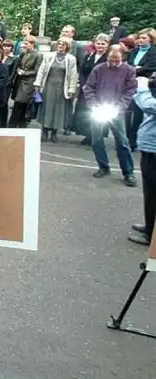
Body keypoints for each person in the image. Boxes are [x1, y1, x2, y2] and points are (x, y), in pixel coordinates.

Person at [84, 47, 137, 186]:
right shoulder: (99, 69)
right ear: (107, 56)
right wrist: (93, 105)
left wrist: (119, 107)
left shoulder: (129, 70)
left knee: (122, 142)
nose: (113, 63)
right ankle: (103, 166)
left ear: (122, 57)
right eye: (111, 60)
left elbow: (130, 91)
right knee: (96, 140)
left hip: (116, 111)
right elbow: (89, 88)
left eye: (117, 60)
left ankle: (128, 172)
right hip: (98, 108)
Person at [128, 74, 156, 245]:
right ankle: (149, 226)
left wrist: (143, 88)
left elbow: (149, 105)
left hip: (154, 149)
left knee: (153, 193)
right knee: (149, 192)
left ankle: (151, 235)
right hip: (150, 147)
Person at [34, 37, 78, 143]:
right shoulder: (49, 56)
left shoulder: (71, 58)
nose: (60, 46)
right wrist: (37, 83)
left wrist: (71, 89)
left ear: (67, 47)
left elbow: (73, 75)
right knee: (46, 109)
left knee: (58, 111)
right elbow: (41, 70)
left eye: (63, 44)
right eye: (59, 44)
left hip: (62, 87)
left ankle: (54, 133)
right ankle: (44, 132)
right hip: (48, 86)